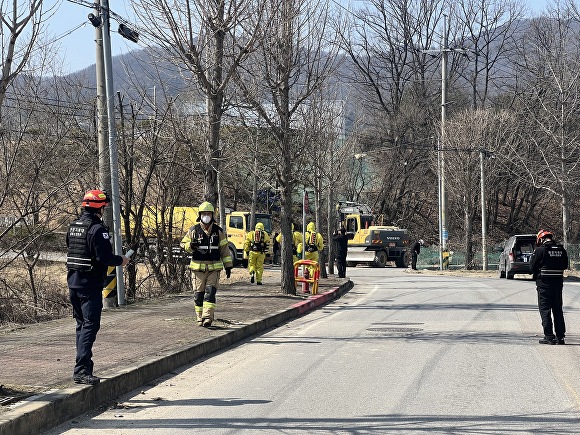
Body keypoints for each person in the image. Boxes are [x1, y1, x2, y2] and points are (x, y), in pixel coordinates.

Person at [66, 189, 130, 385]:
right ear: (99, 208)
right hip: (90, 285)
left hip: (74, 283)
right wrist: (122, 260)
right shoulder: (97, 230)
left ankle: (84, 367)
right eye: (104, 207)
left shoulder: (73, 226)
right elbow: (104, 257)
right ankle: (82, 370)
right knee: (90, 326)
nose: (104, 210)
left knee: (81, 325)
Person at [180, 201, 233, 327]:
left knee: (210, 293)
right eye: (204, 213)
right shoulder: (193, 230)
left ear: (212, 215)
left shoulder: (218, 231)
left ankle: (207, 317)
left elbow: (224, 250)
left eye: (208, 213)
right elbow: (183, 244)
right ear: (200, 215)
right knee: (199, 295)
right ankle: (199, 318)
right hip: (198, 269)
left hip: (214, 269)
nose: (206, 216)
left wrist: (228, 266)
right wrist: (190, 246)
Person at [530, 229, 569, 345]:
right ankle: (560, 337)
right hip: (557, 285)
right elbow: (565, 265)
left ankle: (549, 336)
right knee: (558, 310)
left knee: (545, 310)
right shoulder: (562, 250)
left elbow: (532, 267)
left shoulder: (540, 250)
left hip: (544, 285)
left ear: (541, 239)